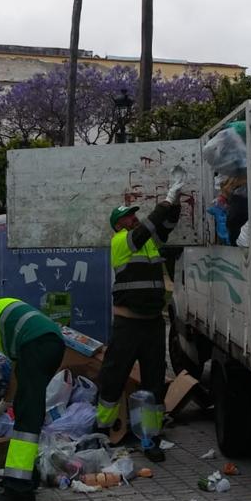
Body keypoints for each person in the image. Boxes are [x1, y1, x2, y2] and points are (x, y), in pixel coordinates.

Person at [97, 176, 187, 462]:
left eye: (135, 215)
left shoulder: (147, 244)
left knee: (154, 381)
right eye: (128, 217)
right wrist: (167, 199)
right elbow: (150, 226)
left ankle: (151, 437)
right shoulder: (123, 241)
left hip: (152, 323)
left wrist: (176, 205)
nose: (134, 219)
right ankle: (102, 430)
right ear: (118, 225)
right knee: (113, 376)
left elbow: (165, 226)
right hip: (128, 323)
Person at [0, 297, 65, 501]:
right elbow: (18, 372)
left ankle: (18, 490)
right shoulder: (7, 311)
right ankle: (29, 476)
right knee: (25, 407)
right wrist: (7, 401)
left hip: (38, 346)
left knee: (28, 415)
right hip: (54, 344)